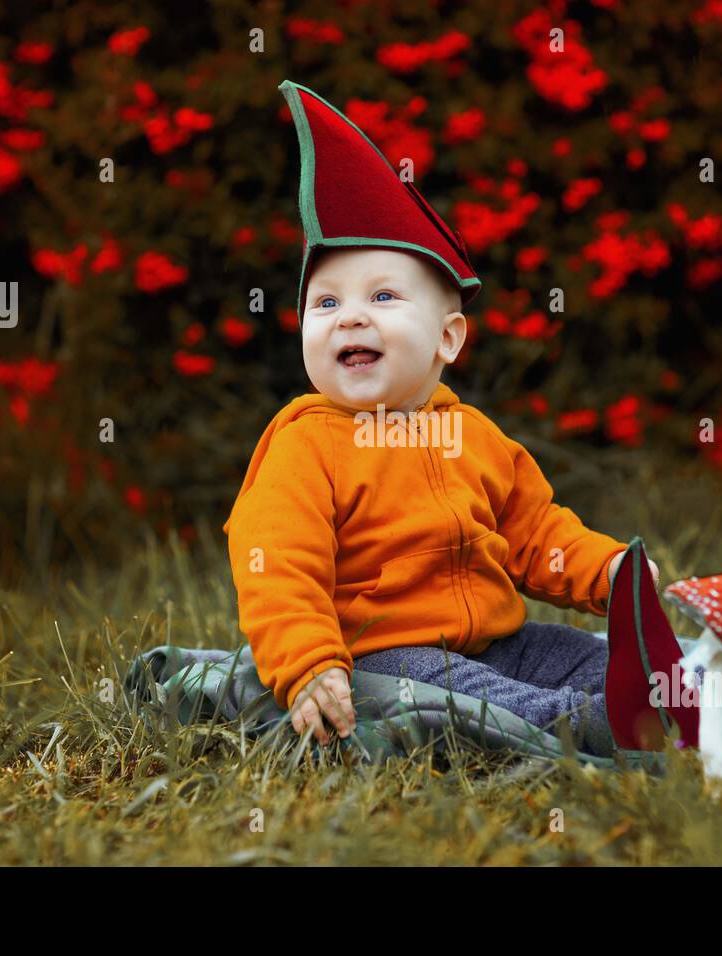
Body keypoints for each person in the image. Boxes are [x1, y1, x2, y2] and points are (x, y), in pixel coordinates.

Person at [221, 82, 657, 758]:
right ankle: (598, 726)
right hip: (382, 657)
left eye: (383, 295)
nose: (351, 316)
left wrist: (612, 574)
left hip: (499, 640)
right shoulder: (305, 444)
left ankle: (678, 683)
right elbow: (278, 565)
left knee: (577, 655)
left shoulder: (476, 437)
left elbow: (535, 533)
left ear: (448, 339)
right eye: (326, 302)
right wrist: (310, 664)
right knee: (482, 703)